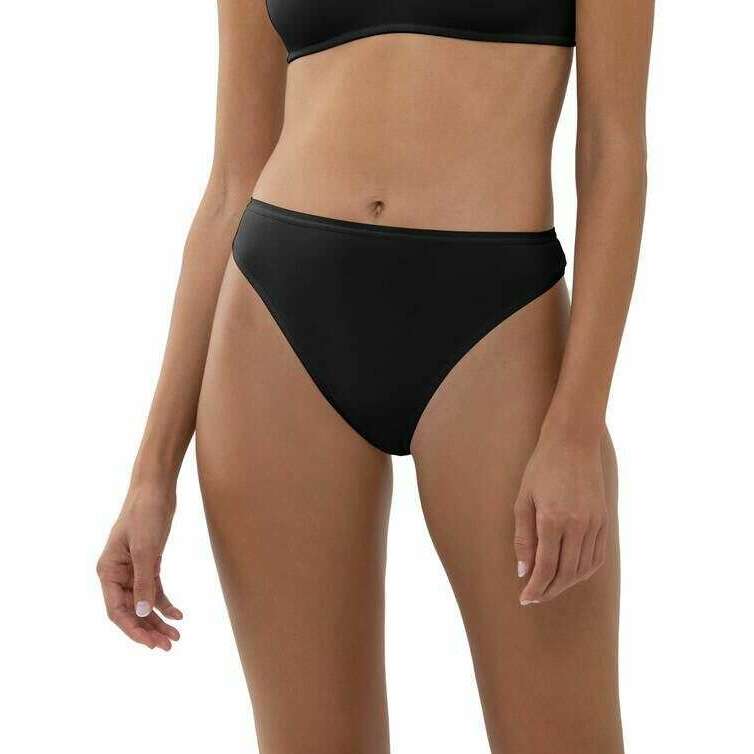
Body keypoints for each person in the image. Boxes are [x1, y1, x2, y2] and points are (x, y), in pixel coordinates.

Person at [97, 1, 654, 751]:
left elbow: (613, 153)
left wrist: (577, 430)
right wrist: (151, 474)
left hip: (500, 326)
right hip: (276, 321)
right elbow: (231, 183)